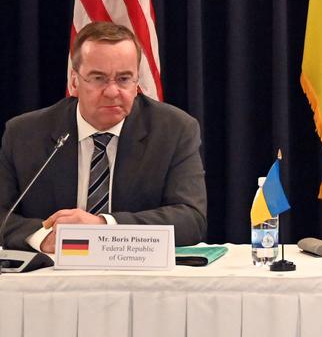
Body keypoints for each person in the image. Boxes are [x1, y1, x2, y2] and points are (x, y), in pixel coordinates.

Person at [0, 22, 207, 252]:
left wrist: (102, 226)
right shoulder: (24, 134)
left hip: (136, 279)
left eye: (124, 79)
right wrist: (43, 238)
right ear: (74, 81)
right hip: (50, 276)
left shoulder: (174, 130)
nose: (112, 92)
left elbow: (191, 219)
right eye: (98, 78)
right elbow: (3, 214)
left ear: (138, 81)